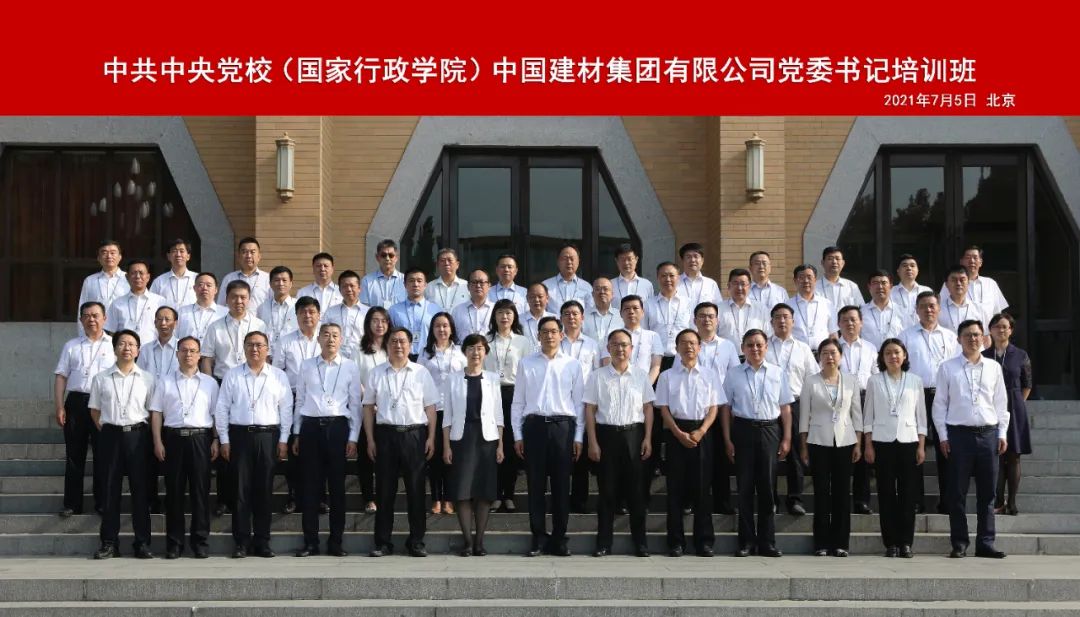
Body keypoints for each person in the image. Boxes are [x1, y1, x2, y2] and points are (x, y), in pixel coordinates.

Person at [933, 319, 1009, 559]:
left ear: (984, 338)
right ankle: (959, 543)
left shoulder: (993, 367)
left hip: (988, 434)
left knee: (988, 494)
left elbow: (1001, 404)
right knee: (957, 493)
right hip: (959, 436)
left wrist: (1002, 433)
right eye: (967, 335)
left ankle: (986, 543)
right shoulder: (947, 368)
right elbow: (939, 405)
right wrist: (943, 436)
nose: (973, 339)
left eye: (976, 334)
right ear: (959, 339)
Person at [214, 331, 292, 558]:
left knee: (264, 490)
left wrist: (284, 439)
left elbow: (286, 409)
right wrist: (224, 439)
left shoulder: (278, 376)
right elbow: (222, 408)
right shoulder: (233, 375)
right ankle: (241, 542)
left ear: (267, 349)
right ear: (244, 348)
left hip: (268, 437)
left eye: (259, 345)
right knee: (240, 491)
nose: (255, 349)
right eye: (250, 345)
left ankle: (262, 541)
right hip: (240, 436)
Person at [511, 316, 585, 557]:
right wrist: (517, 434)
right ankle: (538, 537)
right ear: (538, 335)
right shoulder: (526, 363)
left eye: (554, 331)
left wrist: (579, 437)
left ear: (561, 335)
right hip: (534, 428)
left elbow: (579, 404)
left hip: (563, 428)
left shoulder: (572, 364)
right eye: (545, 331)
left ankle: (560, 538)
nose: (549, 335)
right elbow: (518, 402)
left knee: (562, 486)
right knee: (535, 486)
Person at [363, 327, 439, 557]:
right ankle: (382, 542)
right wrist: (370, 439)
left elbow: (430, 407)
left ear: (410, 345)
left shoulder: (421, 372)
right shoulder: (376, 373)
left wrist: (431, 437)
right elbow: (368, 407)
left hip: (414, 435)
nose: (398, 345)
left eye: (403, 341)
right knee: (384, 491)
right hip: (385, 434)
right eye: (394, 341)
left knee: (416, 490)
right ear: (386, 345)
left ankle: (416, 541)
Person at [721, 329, 793, 558]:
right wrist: (727, 439)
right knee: (744, 488)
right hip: (743, 430)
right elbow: (726, 409)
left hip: (770, 430)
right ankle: (746, 542)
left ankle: (767, 542)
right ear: (742, 348)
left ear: (766, 347)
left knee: (767, 489)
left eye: (759, 344)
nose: (755, 349)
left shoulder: (777, 373)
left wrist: (787, 437)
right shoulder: (733, 374)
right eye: (750, 345)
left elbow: (785, 408)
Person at [292, 323, 361, 558]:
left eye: (335, 335)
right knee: (310, 487)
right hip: (311, 428)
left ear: (341, 340)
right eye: (326, 335)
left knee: (338, 488)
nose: (330, 339)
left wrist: (353, 436)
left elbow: (355, 404)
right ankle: (310, 542)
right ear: (319, 339)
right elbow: (300, 400)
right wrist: (297, 432)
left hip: (338, 428)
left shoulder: (350, 367)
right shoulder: (307, 365)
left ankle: (336, 542)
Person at [585, 329, 655, 558]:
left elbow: (648, 408)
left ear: (631, 349)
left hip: (634, 435)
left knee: (637, 493)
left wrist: (647, 437)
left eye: (624, 345)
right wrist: (592, 442)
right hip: (607, 436)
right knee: (607, 492)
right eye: (615, 344)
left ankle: (640, 543)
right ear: (608, 348)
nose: (620, 349)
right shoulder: (597, 376)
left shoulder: (641, 376)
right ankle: (603, 543)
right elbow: (590, 410)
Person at [200, 280, 267, 518]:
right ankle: (224, 499)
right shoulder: (215, 326)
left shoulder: (259, 324)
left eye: (243, 297)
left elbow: (265, 357)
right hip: (221, 383)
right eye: (234, 297)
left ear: (249, 300)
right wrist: (210, 385)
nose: (239, 301)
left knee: (243, 442)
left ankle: (249, 498)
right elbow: (207, 359)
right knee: (223, 441)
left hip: (251, 384)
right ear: (226, 299)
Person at [149, 335, 219, 559]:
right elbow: (157, 413)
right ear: (177, 354)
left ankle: (200, 542)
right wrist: (157, 441)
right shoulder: (165, 381)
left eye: (193, 350)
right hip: (173, 440)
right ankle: (174, 543)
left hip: (201, 439)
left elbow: (216, 414)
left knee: (200, 492)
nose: (188, 354)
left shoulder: (210, 383)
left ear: (199, 355)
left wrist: (216, 439)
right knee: (174, 493)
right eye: (184, 350)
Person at [655, 329, 724, 557]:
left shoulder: (710, 375)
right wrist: (678, 433)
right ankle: (675, 542)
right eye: (684, 343)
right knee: (675, 490)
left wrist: (701, 431)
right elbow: (663, 409)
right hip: (676, 432)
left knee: (702, 490)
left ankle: (704, 542)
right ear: (676, 348)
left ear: (700, 347)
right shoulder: (666, 376)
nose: (689, 347)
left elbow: (714, 407)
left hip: (702, 433)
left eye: (693, 343)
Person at [89, 329, 155, 559]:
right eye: (122, 344)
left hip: (138, 437)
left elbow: (152, 411)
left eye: (131, 344)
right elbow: (95, 411)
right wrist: (110, 430)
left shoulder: (148, 379)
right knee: (110, 491)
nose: (127, 348)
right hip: (111, 436)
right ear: (114, 348)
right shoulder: (101, 378)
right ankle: (109, 543)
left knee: (141, 491)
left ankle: (142, 543)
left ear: (138, 350)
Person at [798, 338, 863, 557]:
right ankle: (821, 543)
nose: (829, 357)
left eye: (833, 353)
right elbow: (804, 416)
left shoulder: (851, 381)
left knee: (842, 493)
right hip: (818, 441)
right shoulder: (811, 382)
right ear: (819, 357)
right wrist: (804, 446)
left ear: (841, 356)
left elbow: (856, 414)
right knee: (821, 492)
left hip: (845, 440)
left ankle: (841, 543)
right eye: (825, 353)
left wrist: (858, 443)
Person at [863, 338, 926, 558]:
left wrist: (921, 445)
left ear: (904, 355)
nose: (893, 356)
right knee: (886, 493)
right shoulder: (874, 381)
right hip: (882, 442)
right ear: (882, 357)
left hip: (909, 441)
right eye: (888, 353)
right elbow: (868, 416)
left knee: (908, 495)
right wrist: (868, 444)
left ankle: (906, 542)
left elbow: (921, 417)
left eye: (897, 352)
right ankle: (890, 543)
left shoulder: (915, 381)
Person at [443, 333, 505, 556]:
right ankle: (467, 542)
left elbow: (498, 414)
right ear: (465, 352)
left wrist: (500, 445)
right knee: (462, 491)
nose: (475, 352)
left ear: (485, 352)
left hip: (486, 439)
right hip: (462, 438)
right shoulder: (453, 379)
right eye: (471, 348)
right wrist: (446, 446)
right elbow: (447, 416)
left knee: (484, 491)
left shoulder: (492, 379)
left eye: (479, 348)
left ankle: (479, 542)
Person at [899, 291, 960, 514]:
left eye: (932, 305)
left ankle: (948, 500)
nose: (928, 310)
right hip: (915, 395)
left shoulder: (950, 337)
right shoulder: (906, 336)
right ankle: (916, 500)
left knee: (947, 447)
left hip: (945, 396)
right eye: (923, 306)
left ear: (939, 309)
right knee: (915, 447)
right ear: (916, 310)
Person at [679, 301, 740, 514]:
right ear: (694, 320)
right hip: (695, 409)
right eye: (702, 316)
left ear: (717, 320)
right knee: (691, 459)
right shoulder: (687, 344)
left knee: (721, 458)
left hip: (721, 409)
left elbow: (734, 376)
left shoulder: (728, 346)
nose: (707, 320)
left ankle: (722, 502)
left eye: (711, 316)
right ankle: (689, 501)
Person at [54, 302, 114, 517]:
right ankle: (72, 504)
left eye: (96, 315)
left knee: (103, 454)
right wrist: (60, 406)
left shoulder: (114, 344)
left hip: (104, 403)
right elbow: (61, 376)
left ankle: (103, 503)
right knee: (74, 454)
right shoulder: (71, 346)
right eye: (86, 316)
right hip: (77, 402)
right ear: (80, 320)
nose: (91, 319)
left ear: (105, 318)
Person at [272, 296, 323, 515]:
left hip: (319, 401)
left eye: (311, 311)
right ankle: (293, 495)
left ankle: (320, 497)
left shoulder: (325, 339)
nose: (307, 316)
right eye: (302, 312)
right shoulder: (285, 341)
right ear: (296, 315)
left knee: (319, 451)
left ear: (319, 315)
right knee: (295, 450)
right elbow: (277, 373)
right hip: (292, 398)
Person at [767, 303, 818, 516]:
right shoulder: (764, 346)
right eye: (777, 317)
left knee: (796, 452)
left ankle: (795, 498)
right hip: (769, 405)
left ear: (793, 321)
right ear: (771, 322)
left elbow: (813, 380)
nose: (782, 321)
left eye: (786, 317)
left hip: (796, 404)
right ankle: (770, 499)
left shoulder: (803, 348)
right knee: (770, 454)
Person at [484, 299, 532, 512]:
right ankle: (495, 494)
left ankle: (509, 494)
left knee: (512, 444)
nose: (504, 317)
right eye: (500, 313)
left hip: (514, 394)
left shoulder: (523, 342)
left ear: (514, 317)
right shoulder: (486, 340)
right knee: (493, 443)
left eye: (508, 313)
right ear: (494, 316)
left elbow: (528, 373)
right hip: (490, 393)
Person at [984, 313, 1032, 515]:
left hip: (1014, 407)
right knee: (995, 455)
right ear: (990, 330)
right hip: (989, 408)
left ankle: (1011, 502)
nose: (1000, 330)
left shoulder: (1020, 355)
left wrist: (1015, 403)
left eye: (1005, 326)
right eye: (996, 326)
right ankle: (997, 501)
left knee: (1013, 456)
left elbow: (1027, 384)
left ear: (1011, 330)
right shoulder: (984, 355)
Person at [419, 312, 467, 514]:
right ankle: (436, 498)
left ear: (452, 328)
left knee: (452, 456)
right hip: (433, 410)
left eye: (445, 325)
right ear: (432, 329)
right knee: (434, 456)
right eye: (438, 326)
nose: (442, 329)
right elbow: (418, 381)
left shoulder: (461, 352)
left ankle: (449, 498)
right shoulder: (425, 353)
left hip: (455, 410)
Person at [136, 304, 180, 512]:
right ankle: (151, 501)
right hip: (149, 411)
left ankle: (173, 501)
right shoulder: (145, 350)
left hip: (174, 412)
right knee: (149, 461)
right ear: (154, 322)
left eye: (167, 319)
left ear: (175, 323)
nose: (163, 323)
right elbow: (139, 379)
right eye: (159, 319)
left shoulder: (183, 348)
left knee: (174, 462)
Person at [561, 300, 602, 513]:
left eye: (575, 313)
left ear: (582, 317)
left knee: (582, 453)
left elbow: (597, 374)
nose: (571, 317)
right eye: (567, 313)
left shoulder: (592, 345)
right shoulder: (556, 342)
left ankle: (580, 500)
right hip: (560, 403)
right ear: (561, 318)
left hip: (585, 403)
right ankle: (560, 499)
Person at [837, 305, 877, 515]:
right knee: (840, 451)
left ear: (861, 323)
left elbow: (876, 376)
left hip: (863, 399)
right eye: (845, 320)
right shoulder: (832, 347)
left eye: (854, 319)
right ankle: (840, 499)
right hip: (838, 402)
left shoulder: (870, 348)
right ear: (838, 324)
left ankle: (862, 500)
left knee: (861, 452)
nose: (850, 323)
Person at [354, 306, 391, 514]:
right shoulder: (359, 350)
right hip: (367, 410)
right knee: (366, 455)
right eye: (375, 320)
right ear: (368, 324)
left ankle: (384, 496)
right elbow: (356, 379)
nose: (379, 325)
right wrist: (370, 400)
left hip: (389, 411)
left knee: (386, 456)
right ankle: (368, 497)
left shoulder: (393, 347)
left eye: (384, 321)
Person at [938, 246, 1009, 326]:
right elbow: (942, 308)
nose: (972, 261)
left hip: (988, 331)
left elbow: (997, 313)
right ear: (961, 261)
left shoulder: (991, 283)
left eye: (975, 258)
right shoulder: (950, 284)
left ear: (981, 262)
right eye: (968, 257)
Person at [645, 262, 692, 370]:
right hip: (655, 359)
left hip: (682, 358)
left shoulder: (688, 303)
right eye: (663, 276)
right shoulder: (648, 304)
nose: (668, 279)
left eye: (671, 275)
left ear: (678, 278)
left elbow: (693, 331)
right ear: (657, 278)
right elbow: (644, 333)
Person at [105, 260, 165, 345]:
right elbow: (112, 331)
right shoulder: (117, 303)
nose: (138, 276)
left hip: (152, 350)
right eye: (133, 273)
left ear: (148, 277)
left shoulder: (160, 301)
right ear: (127, 277)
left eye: (141, 273)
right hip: (125, 350)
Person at [77, 240, 129, 335]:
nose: (109, 256)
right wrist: (82, 334)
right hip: (97, 331)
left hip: (123, 331)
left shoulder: (129, 279)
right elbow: (82, 307)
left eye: (113, 253)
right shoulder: (90, 280)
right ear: (99, 258)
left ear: (120, 257)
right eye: (104, 253)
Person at [388, 268, 440, 360]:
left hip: (429, 358)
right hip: (402, 358)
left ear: (425, 285)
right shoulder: (394, 310)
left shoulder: (435, 310)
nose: (415, 284)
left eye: (419, 281)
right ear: (405, 285)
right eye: (411, 281)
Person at [717, 268, 772, 349]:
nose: (739, 288)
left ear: (749, 286)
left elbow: (768, 335)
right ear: (728, 286)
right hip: (725, 355)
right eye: (735, 283)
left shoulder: (761, 309)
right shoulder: (718, 309)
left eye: (743, 284)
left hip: (754, 355)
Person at [789, 264, 837, 352]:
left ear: (815, 280)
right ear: (795, 281)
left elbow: (833, 333)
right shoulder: (788, 306)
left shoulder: (827, 304)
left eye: (809, 277)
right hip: (797, 353)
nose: (806, 281)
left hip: (823, 354)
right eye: (801, 277)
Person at [323, 270, 369, 360]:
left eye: (352, 286)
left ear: (359, 288)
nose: (349, 289)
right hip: (335, 358)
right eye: (345, 286)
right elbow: (324, 334)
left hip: (361, 357)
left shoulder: (368, 312)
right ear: (340, 290)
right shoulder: (330, 312)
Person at [217, 237, 271, 313]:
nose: (248, 256)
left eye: (252, 252)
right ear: (239, 256)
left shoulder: (268, 279)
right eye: (244, 252)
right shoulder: (229, 278)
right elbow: (220, 306)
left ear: (259, 256)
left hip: (260, 320)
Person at [257, 265, 298, 360]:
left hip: (291, 357)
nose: (280, 283)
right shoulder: (262, 307)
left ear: (291, 283)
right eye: (276, 280)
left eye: (284, 280)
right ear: (270, 284)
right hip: (267, 358)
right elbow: (259, 333)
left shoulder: (298, 306)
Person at [939, 264, 990, 337]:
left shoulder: (979, 309)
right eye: (954, 280)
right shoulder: (938, 309)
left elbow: (986, 337)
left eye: (962, 280)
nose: (958, 283)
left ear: (968, 282)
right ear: (946, 284)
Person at [861, 270, 906, 349]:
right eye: (875, 283)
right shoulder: (861, 312)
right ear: (869, 287)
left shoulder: (902, 311)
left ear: (891, 286)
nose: (880, 286)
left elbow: (908, 337)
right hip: (869, 355)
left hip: (894, 355)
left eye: (884, 283)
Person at [177, 272, 227, 342]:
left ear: (216, 290)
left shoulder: (225, 313)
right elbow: (175, 336)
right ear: (194, 288)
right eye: (200, 285)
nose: (204, 288)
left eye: (209, 285)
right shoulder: (182, 311)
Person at [543, 244, 593, 314]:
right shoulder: (545, 285)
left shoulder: (586, 287)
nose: (569, 262)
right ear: (558, 261)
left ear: (578, 262)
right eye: (565, 258)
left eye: (572, 259)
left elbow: (590, 312)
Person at [150, 238, 197, 310]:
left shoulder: (197, 279)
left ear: (188, 256)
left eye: (182, 251)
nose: (178, 254)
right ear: (168, 256)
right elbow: (151, 305)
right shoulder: (159, 281)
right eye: (174, 251)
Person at [360, 239, 408, 308]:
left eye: (391, 255)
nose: (387, 258)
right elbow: (364, 308)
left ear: (396, 257)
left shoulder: (405, 280)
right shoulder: (367, 281)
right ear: (377, 257)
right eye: (383, 255)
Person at [451, 269, 495, 338]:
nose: (478, 285)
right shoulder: (457, 310)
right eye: (474, 282)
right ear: (468, 286)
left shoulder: (495, 309)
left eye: (482, 282)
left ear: (489, 286)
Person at [891, 254, 932, 327]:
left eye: (912, 266)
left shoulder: (927, 291)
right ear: (898, 271)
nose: (909, 268)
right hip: (897, 333)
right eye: (904, 266)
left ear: (918, 270)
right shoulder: (890, 292)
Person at [677, 242, 721, 307]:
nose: (692, 260)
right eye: (688, 257)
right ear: (682, 260)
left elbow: (718, 307)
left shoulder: (711, 284)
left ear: (702, 260)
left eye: (696, 256)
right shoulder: (675, 282)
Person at [584, 278, 621, 344]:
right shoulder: (582, 315)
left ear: (612, 294)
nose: (602, 292)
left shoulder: (621, 316)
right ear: (592, 294)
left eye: (606, 289)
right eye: (598, 289)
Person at [521, 282, 556, 352]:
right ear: (527, 298)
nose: (536, 300)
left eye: (540, 296)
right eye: (532, 297)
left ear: (547, 298)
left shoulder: (555, 319)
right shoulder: (519, 320)